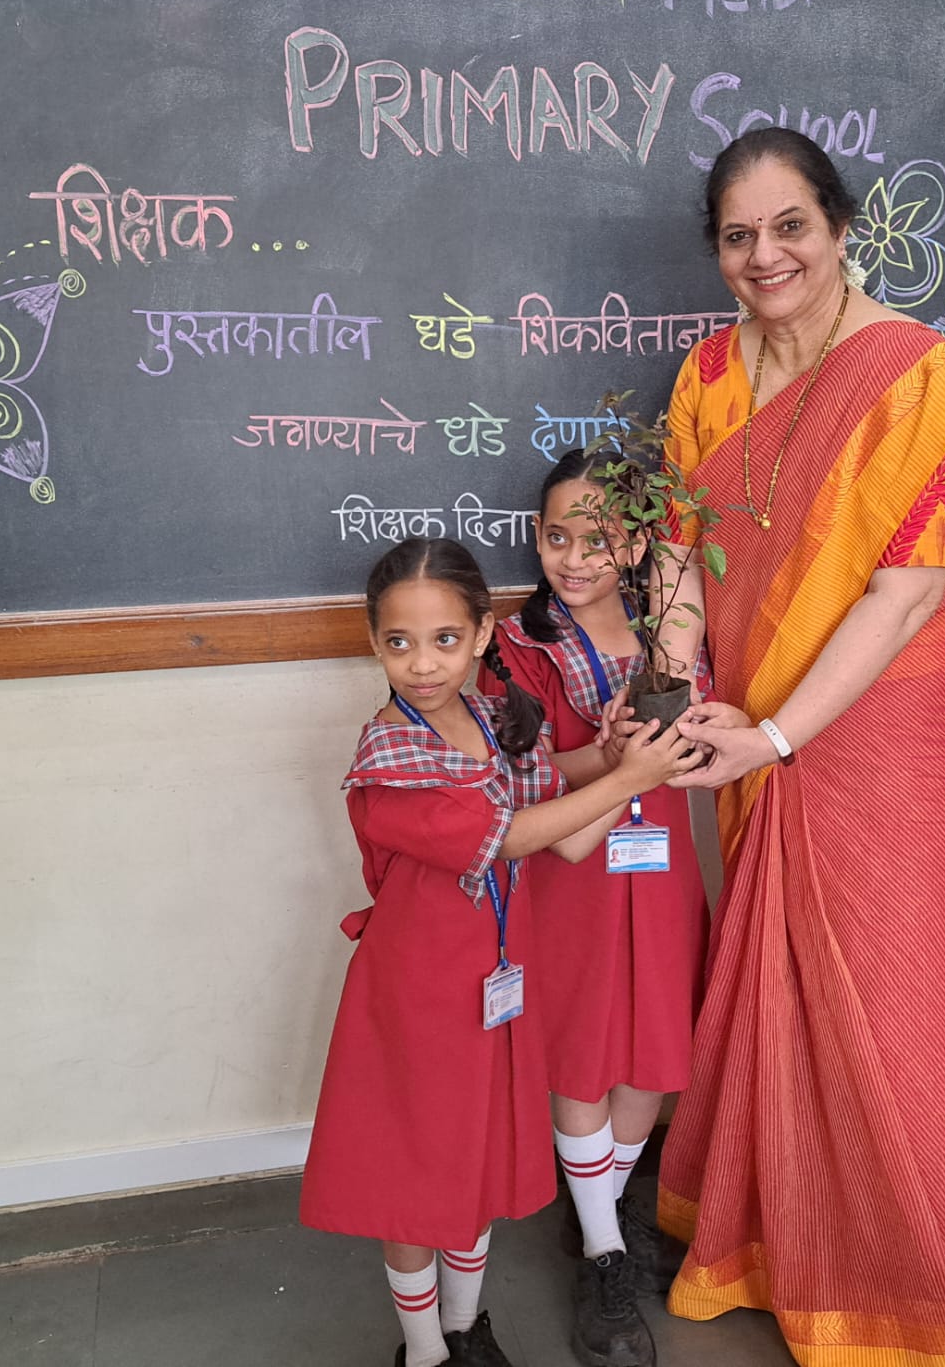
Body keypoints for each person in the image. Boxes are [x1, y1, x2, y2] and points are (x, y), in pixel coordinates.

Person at [645, 126, 945, 1366]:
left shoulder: (914, 382)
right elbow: (679, 547)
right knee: (779, 982)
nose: (767, 256)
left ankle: (905, 1274)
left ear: (840, 229)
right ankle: (777, 1244)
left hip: (884, 730)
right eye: (740, 236)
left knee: (892, 996)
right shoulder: (708, 378)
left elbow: (908, 593)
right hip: (746, 726)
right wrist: (679, 689)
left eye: (791, 226)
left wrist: (776, 733)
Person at [299, 538, 701, 1367]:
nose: (422, 663)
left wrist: (620, 755)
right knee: (417, 1179)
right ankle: (424, 1352)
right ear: (373, 642)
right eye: (399, 642)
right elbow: (510, 834)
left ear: (483, 635)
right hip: (417, 998)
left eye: (445, 639)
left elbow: (556, 808)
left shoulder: (482, 718)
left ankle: (464, 1328)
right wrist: (630, 777)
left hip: (490, 987)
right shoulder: (389, 762)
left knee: (472, 1165)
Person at [479, 451, 710, 1367]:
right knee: (581, 1048)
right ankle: (605, 1252)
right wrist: (613, 754)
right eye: (555, 537)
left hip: (660, 866)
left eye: (599, 539)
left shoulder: (670, 627)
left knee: (651, 1043)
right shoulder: (515, 646)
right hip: (571, 872)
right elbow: (520, 780)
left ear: (641, 544)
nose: (573, 559)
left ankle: (597, 1211)